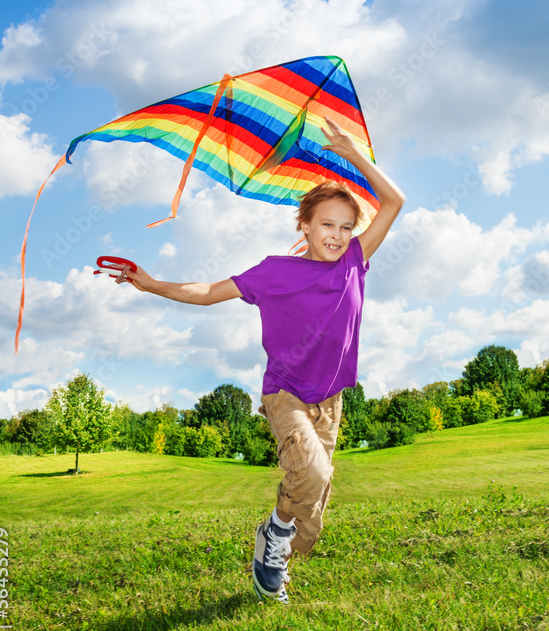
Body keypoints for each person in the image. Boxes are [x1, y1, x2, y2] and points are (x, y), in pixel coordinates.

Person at [123, 116, 405, 603]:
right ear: (306, 226)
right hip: (286, 393)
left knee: (314, 509)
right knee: (311, 477)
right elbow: (210, 292)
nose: (336, 235)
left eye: (344, 226)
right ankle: (274, 533)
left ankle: (276, 553)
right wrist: (152, 284)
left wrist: (353, 153)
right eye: (326, 225)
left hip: (331, 399)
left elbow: (395, 202)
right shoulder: (275, 272)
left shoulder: (356, 262)